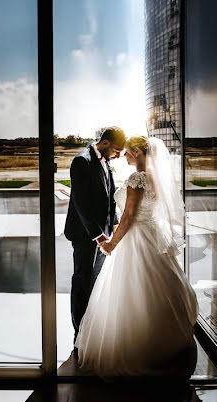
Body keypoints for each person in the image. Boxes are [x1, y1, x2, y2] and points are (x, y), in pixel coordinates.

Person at [75, 135, 198, 376]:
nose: (125, 156)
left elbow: (129, 216)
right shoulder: (153, 176)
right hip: (149, 234)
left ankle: (139, 347)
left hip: (135, 236)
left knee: (131, 290)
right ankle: (164, 338)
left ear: (139, 152)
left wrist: (112, 244)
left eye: (129, 152)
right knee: (156, 286)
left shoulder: (137, 178)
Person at [63, 126, 127, 342]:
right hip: (86, 237)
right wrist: (99, 237)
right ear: (106, 143)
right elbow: (81, 205)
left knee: (95, 283)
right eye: (117, 150)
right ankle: (79, 333)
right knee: (82, 282)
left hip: (104, 236)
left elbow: (109, 198)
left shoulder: (105, 162)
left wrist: (115, 224)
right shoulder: (82, 161)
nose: (118, 155)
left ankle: (91, 328)